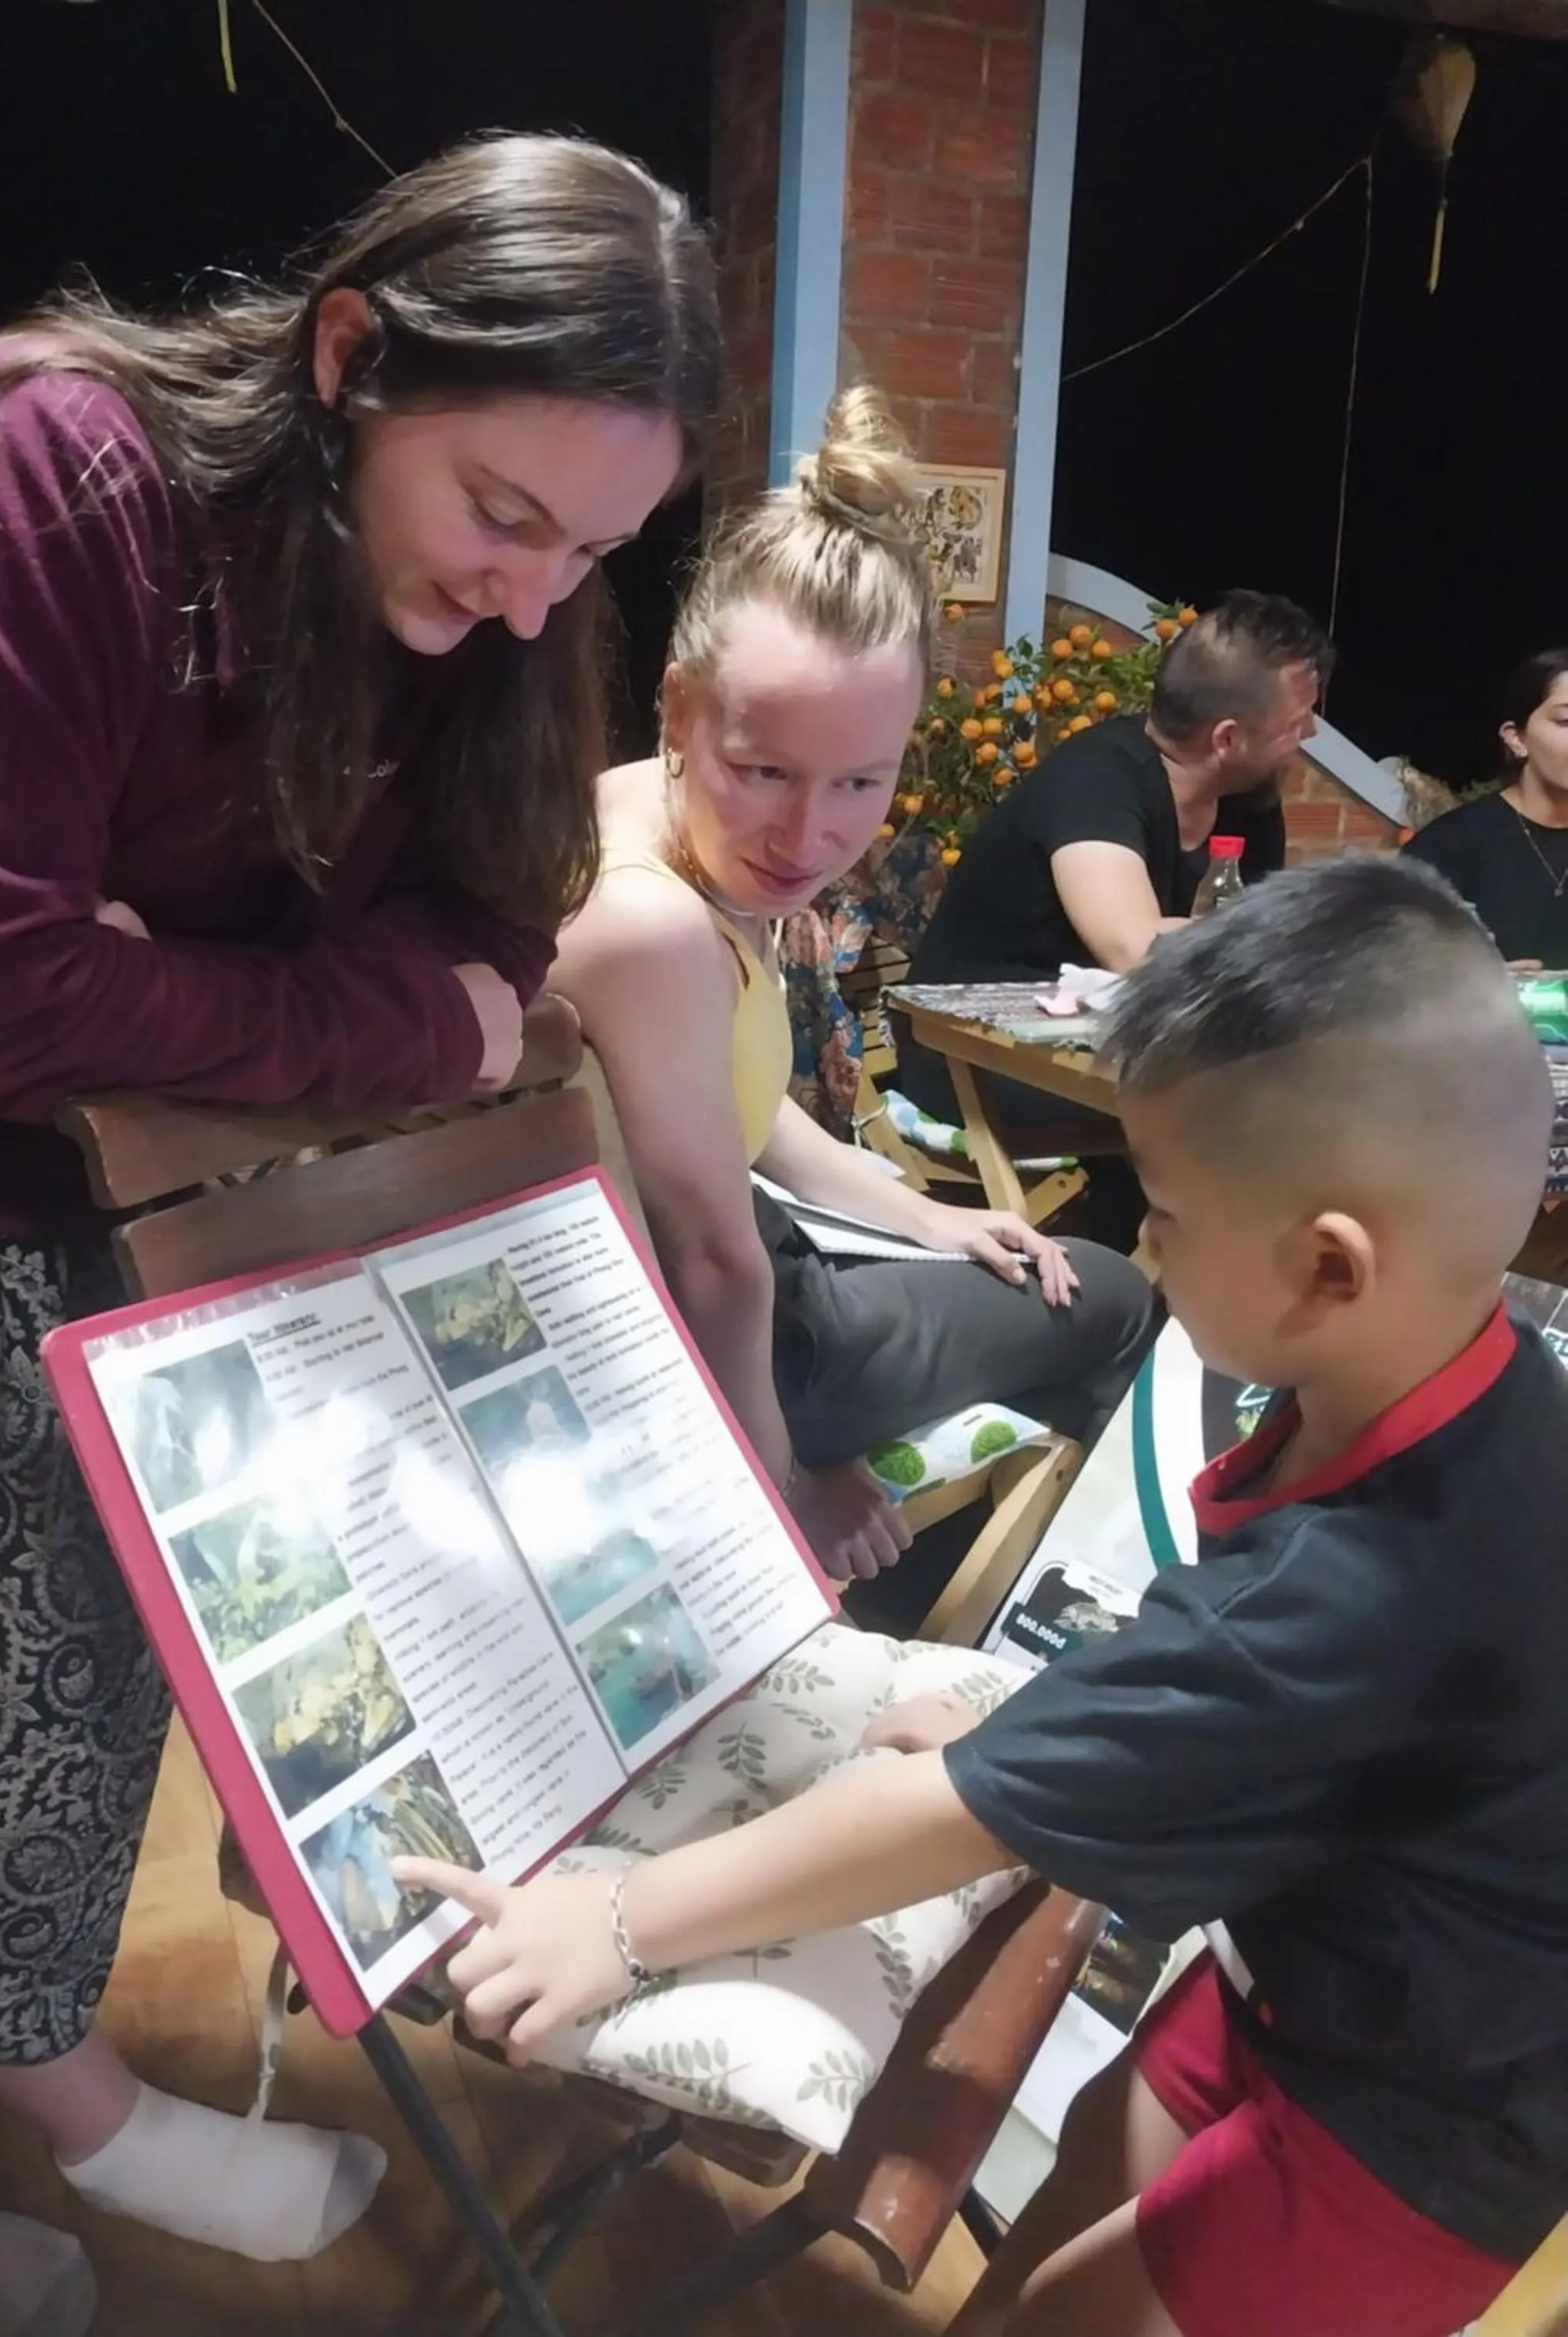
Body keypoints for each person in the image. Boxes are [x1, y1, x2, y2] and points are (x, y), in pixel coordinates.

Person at [0, 132, 719, 2335]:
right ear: (349, 356)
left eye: (590, 550)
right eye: (503, 515)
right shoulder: (59, 471)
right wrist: (383, 1015)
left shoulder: (489, 598)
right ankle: (45, 2114)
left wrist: (212, 1007)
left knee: (83, 1692)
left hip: (154, 1215)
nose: (530, 595)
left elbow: (506, 925)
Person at [402, 856, 1568, 2337]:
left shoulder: (1358, 1597)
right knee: (1096, 2168)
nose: (1145, 1246)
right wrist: (1040, 1725)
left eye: (1172, 1215)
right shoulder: (1469, 1371)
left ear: (1331, 1267)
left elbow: (958, 1814)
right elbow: (1230, 1683)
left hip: (1428, 2128)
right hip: (1328, 1968)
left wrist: (621, 1920)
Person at [551, 388, 1154, 1590]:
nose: (805, 835)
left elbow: (728, 1103)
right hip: (744, 1343)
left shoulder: (640, 811)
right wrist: (777, 1485)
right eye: (763, 769)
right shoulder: (655, 924)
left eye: (859, 783)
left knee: (1004, 1256)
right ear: (677, 705)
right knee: (1119, 1293)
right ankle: (1002, 1627)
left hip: (764, 1276)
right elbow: (712, 1263)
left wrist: (927, 1217)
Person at [894, 590, 1333, 1133]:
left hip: (1110, 1051)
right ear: (1228, 739)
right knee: (1251, 1115)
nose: (1309, 734)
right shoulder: (1097, 778)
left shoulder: (1248, 803)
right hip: (973, 1058)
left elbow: (1268, 948)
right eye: (1297, 722)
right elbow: (1134, 947)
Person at [1403, 647, 1568, 968]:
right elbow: (1393, 972)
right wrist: (1478, 988)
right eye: (1566, 720)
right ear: (1516, 739)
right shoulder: (1448, 848)